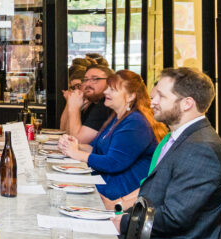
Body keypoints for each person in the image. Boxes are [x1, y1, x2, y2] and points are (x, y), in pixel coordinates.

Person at [118, 68, 221, 239]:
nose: (153, 100)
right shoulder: (185, 138)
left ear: (187, 103)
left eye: (162, 96)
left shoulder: (201, 149)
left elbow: (174, 218)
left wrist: (122, 223)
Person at [58, 70, 166, 209]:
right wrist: (75, 145)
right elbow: (97, 150)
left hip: (117, 194)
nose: (106, 92)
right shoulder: (118, 117)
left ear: (131, 96)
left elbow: (113, 162)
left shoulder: (136, 122)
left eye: (112, 89)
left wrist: (77, 153)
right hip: (104, 183)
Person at [64, 64, 114, 143]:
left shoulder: (105, 105)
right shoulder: (93, 103)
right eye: (86, 79)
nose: (87, 84)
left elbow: (77, 141)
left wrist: (74, 108)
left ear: (110, 82)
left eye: (95, 79)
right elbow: (67, 133)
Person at [59, 65, 87, 133]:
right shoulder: (79, 102)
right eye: (73, 88)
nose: (76, 90)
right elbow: (63, 129)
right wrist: (69, 102)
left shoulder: (92, 105)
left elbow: (73, 135)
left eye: (78, 86)